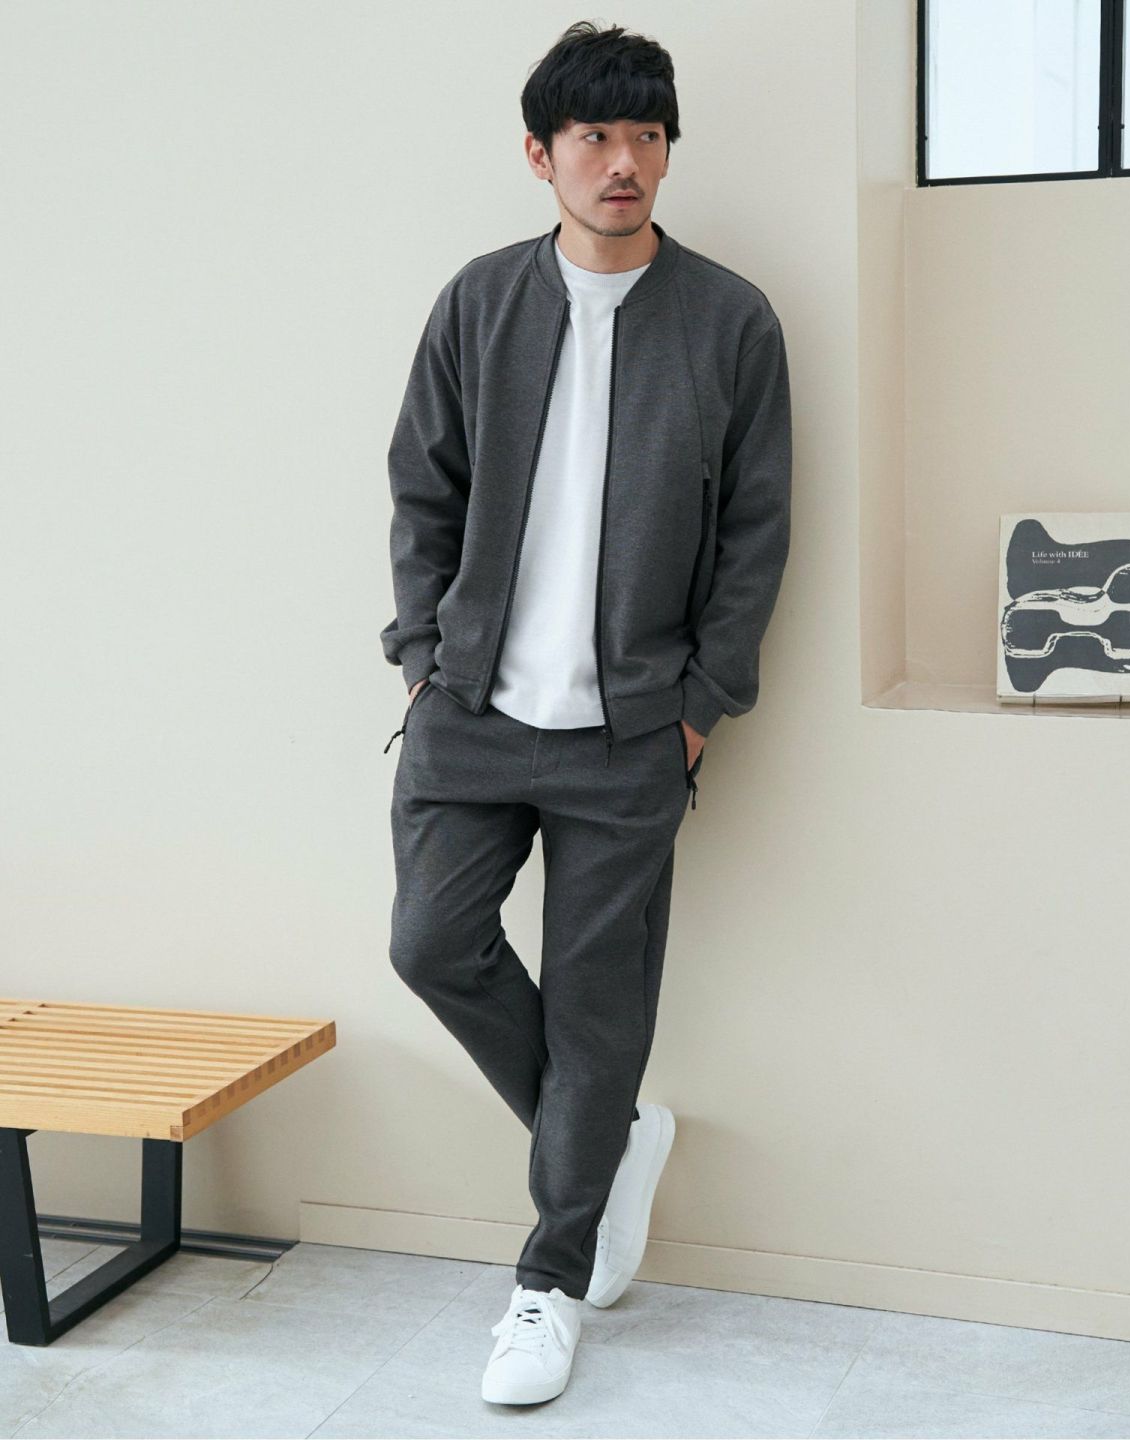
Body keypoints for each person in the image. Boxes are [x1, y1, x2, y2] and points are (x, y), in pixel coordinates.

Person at [380, 18, 792, 1407]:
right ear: (539, 154)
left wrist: (700, 706)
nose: (624, 162)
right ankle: (611, 1140)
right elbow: (423, 488)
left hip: (632, 731)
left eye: (647, 137)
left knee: (602, 1009)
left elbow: (758, 535)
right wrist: (420, 657)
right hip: (472, 708)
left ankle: (550, 1285)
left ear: (667, 151)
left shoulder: (730, 321)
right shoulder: (479, 303)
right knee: (430, 943)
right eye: (595, 136)